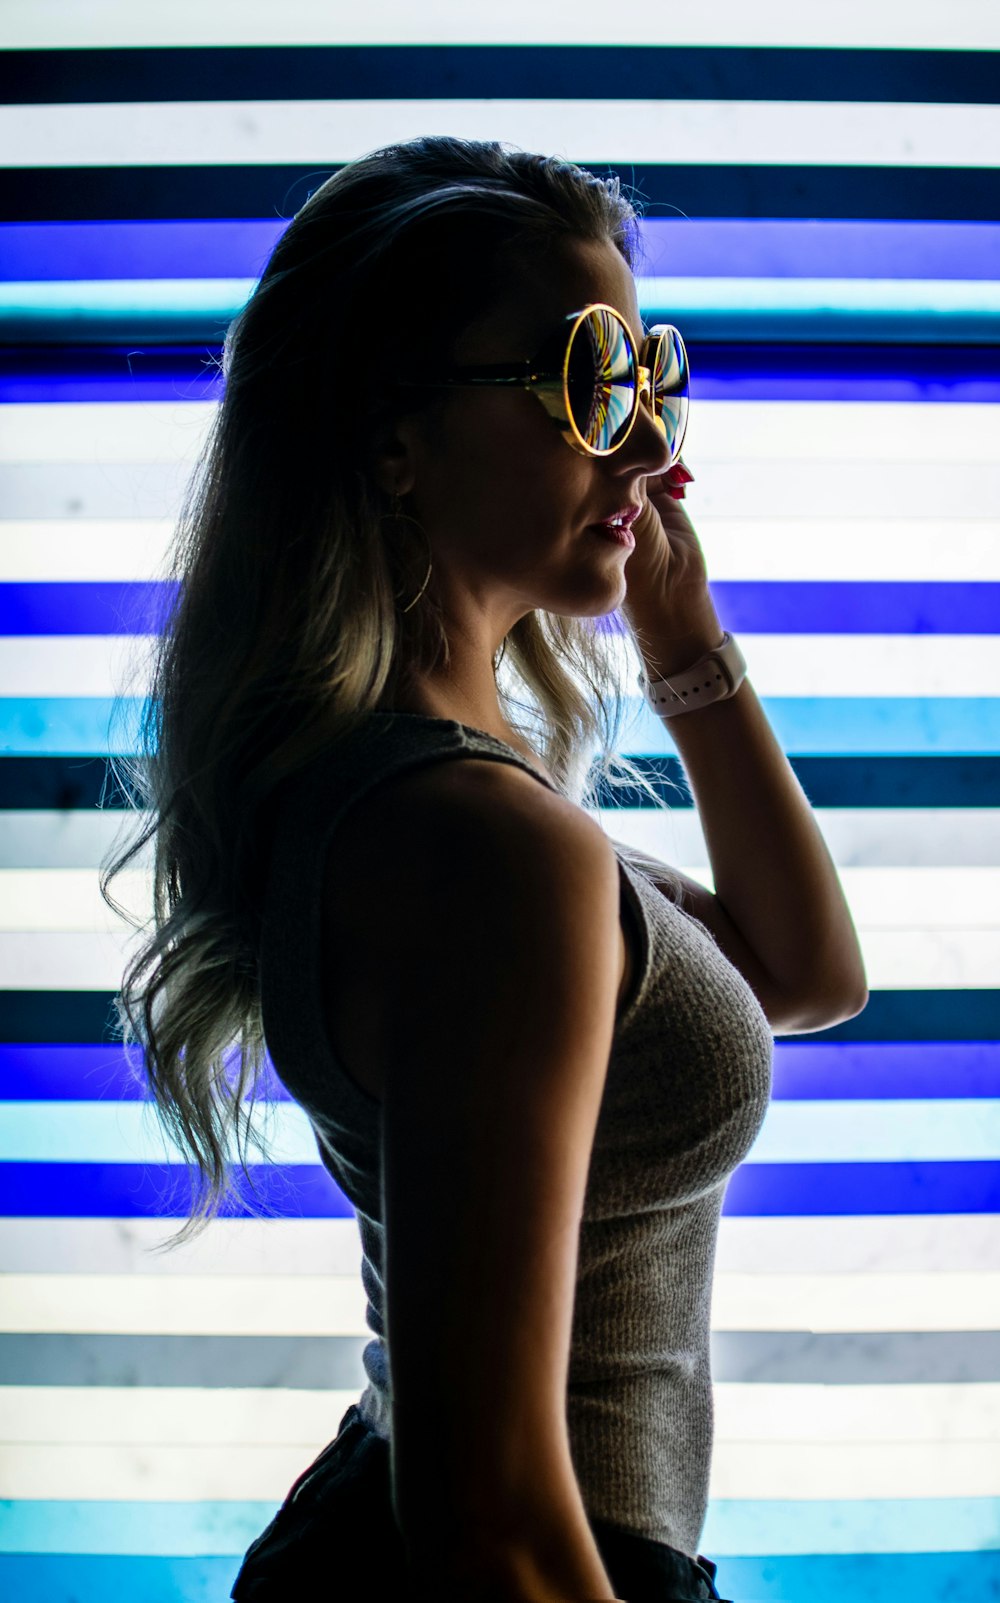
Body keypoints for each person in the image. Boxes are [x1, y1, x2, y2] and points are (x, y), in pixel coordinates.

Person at [102, 136, 868, 1603]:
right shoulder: (483, 850)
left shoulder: (456, 805)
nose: (651, 448)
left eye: (653, 382)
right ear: (394, 436)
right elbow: (496, 1526)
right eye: (590, 382)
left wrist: (684, 641)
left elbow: (805, 977)